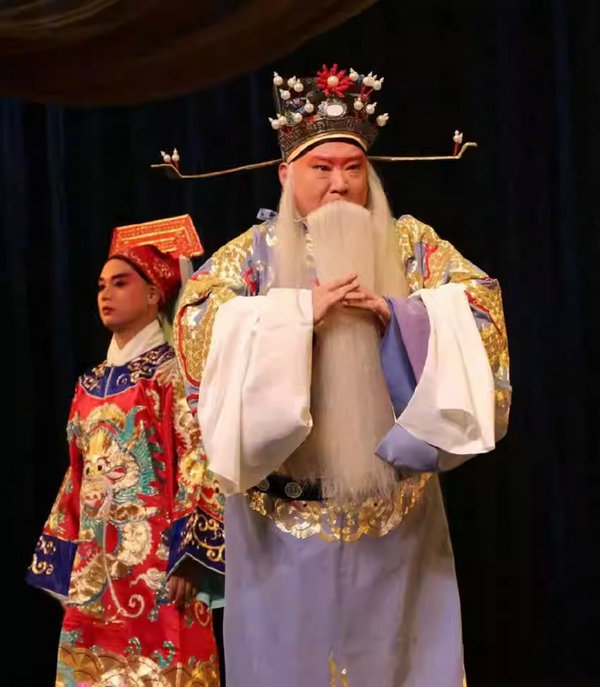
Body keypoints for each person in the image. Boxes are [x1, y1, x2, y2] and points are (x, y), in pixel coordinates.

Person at [174, 64, 511, 686]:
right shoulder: (251, 255)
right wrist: (296, 316)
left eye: (353, 168)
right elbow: (198, 332)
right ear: (286, 174)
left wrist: (399, 317)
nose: (339, 184)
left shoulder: (411, 245)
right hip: (280, 518)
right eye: (321, 168)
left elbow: (480, 311)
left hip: (396, 515)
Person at [26, 233, 224, 687]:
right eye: (101, 286)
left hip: (160, 563)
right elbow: (76, 476)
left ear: (154, 294)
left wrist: (191, 555)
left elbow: (197, 459)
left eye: (120, 283)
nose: (106, 294)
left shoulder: (173, 373)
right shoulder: (89, 383)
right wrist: (66, 557)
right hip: (96, 566)